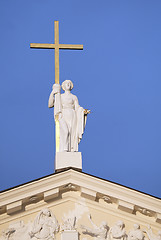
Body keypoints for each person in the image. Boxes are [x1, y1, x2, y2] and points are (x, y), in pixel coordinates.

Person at [48, 80, 89, 152]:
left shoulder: (74, 97)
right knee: (65, 131)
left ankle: (71, 149)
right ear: (63, 86)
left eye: (70, 83)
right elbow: (50, 105)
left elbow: (77, 107)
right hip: (63, 114)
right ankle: (64, 148)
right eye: (66, 83)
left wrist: (83, 111)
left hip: (73, 115)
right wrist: (53, 93)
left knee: (72, 132)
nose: (68, 84)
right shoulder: (60, 96)